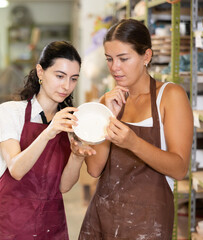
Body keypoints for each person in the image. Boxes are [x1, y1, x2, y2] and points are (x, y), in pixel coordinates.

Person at [71, 19, 193, 239]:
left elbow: (179, 169)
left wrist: (133, 143)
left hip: (148, 224)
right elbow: (94, 170)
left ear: (146, 56)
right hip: (103, 218)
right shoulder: (108, 102)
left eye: (123, 59)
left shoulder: (170, 96)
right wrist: (107, 116)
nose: (114, 67)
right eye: (109, 59)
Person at [0, 41, 94, 240]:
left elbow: (64, 187)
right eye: (59, 76)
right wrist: (49, 132)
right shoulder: (9, 112)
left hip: (49, 223)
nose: (66, 86)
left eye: (73, 79)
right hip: (9, 223)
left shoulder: (68, 122)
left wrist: (76, 157)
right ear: (40, 72)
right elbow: (16, 169)